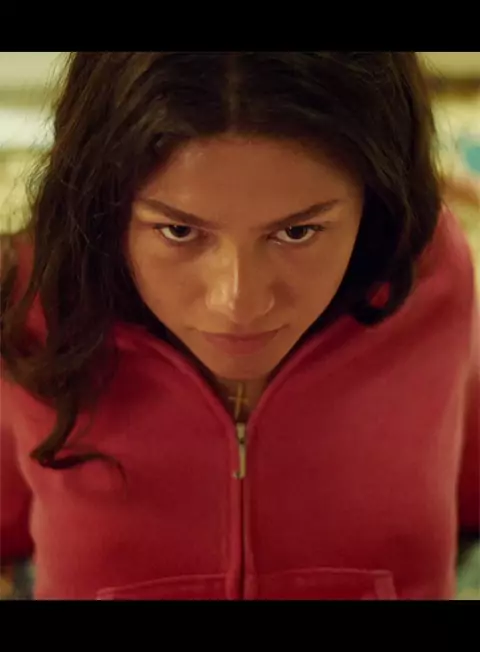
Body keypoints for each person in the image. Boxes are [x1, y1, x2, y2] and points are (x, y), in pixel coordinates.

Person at [0, 52, 478, 601]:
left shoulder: (427, 278)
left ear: (374, 202)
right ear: (100, 204)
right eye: (179, 231)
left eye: (298, 232)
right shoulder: (33, 302)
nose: (239, 304)